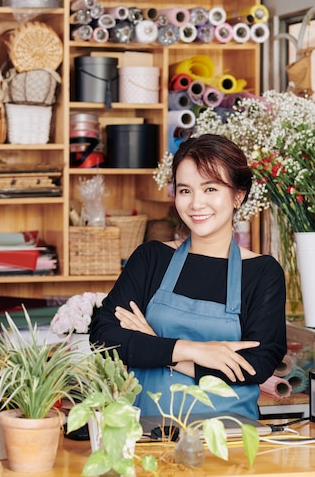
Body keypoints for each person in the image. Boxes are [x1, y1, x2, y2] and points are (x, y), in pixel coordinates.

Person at [90, 134, 287, 418]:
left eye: (210, 189)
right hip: (147, 435)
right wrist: (193, 350)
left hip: (229, 439)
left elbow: (254, 366)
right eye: (185, 190)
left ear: (238, 195)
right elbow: (104, 336)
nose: (196, 203)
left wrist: (158, 346)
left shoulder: (261, 273)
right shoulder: (152, 258)